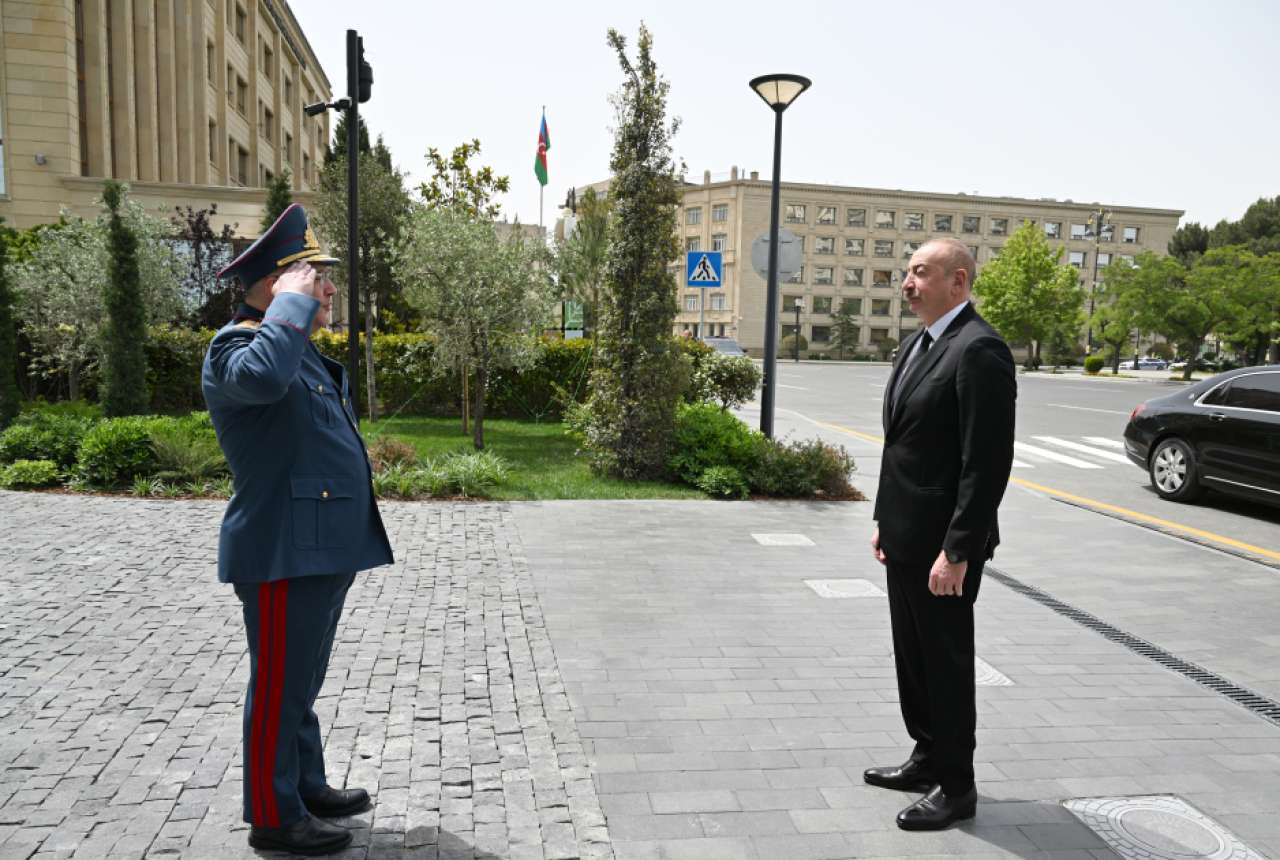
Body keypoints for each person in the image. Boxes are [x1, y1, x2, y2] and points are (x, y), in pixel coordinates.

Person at [202, 204, 394, 855]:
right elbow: (260, 379)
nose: (329, 290)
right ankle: (272, 814)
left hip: (317, 549)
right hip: (282, 549)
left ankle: (304, 784)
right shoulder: (236, 346)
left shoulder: (294, 350)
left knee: (300, 683)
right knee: (279, 687)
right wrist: (288, 304)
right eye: (317, 278)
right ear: (277, 285)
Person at [866, 237, 1016, 831]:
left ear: (958, 281)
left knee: (946, 665)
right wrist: (883, 519)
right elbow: (901, 446)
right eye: (907, 272)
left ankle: (957, 787)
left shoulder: (979, 349)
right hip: (904, 535)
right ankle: (927, 757)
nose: (908, 283)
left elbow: (987, 463)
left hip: (943, 549)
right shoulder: (917, 345)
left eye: (921, 272)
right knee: (914, 659)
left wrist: (957, 550)